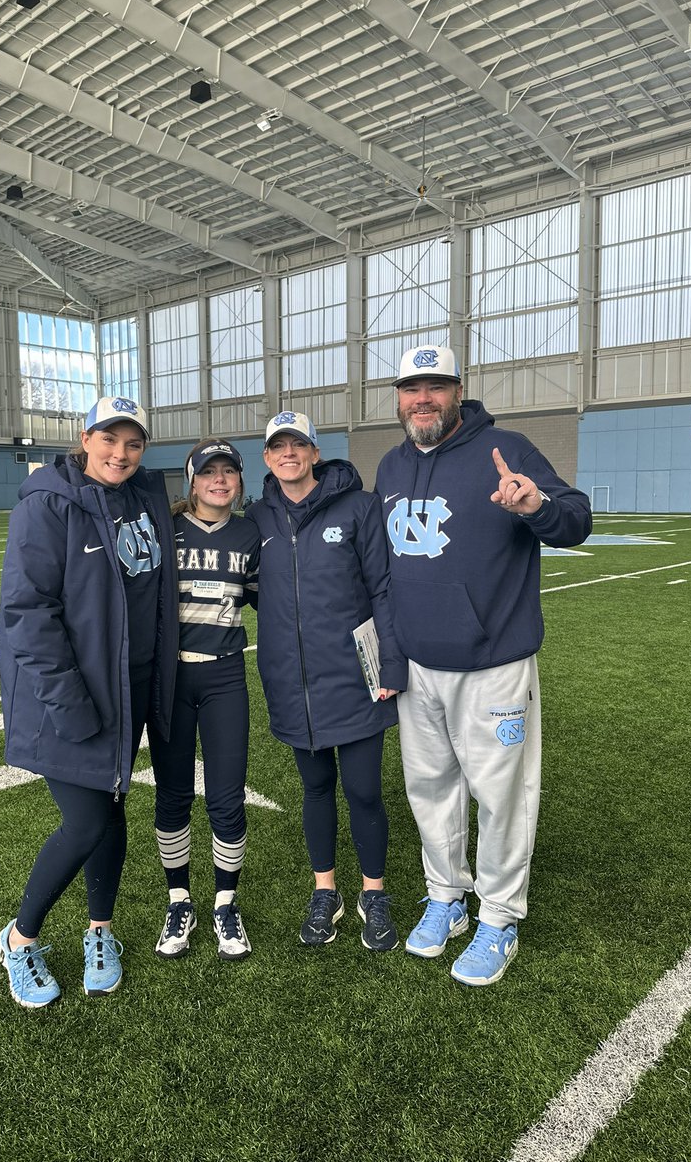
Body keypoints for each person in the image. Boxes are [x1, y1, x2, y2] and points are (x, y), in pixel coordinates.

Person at [376, 344, 592, 986]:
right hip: (419, 666)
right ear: (398, 396)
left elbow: (576, 519)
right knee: (430, 788)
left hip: (494, 661)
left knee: (502, 795)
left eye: (436, 386)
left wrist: (537, 508)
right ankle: (446, 897)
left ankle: (498, 914)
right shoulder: (389, 464)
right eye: (412, 387)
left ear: (457, 390)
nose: (424, 399)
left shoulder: (511, 448)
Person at [0, 395, 178, 1008]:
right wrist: (68, 700)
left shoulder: (145, 496)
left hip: (134, 690)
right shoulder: (48, 503)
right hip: (74, 693)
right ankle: (20, 939)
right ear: (84, 437)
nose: (120, 454)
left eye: (133, 443)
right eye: (109, 440)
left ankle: (100, 931)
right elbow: (27, 613)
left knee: (113, 806)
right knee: (87, 821)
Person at [247, 412, 407, 952]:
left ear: (316, 452)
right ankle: (326, 892)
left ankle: (374, 893)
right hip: (292, 682)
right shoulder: (256, 519)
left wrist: (391, 664)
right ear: (267, 459)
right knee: (315, 790)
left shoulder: (359, 508)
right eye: (277, 447)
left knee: (363, 790)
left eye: (298, 444)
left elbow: (382, 590)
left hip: (354, 677)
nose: (288, 453)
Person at [147, 439, 260, 961]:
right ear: (191, 482)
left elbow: (273, 600)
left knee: (225, 797)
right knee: (171, 795)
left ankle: (224, 902)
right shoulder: (164, 530)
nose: (219, 481)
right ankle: (178, 899)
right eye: (208, 473)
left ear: (239, 480)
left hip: (224, 677)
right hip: (169, 679)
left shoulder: (249, 533)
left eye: (228, 472)